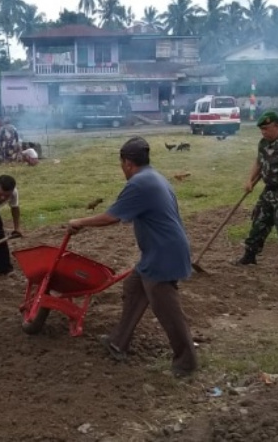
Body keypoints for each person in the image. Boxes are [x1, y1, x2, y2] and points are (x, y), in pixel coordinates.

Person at [67, 137, 198, 378]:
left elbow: (111, 217)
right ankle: (118, 342)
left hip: (163, 255)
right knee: (134, 287)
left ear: (127, 163)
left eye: (121, 164)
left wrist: (80, 222)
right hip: (160, 251)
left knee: (166, 309)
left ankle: (186, 362)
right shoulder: (155, 176)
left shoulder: (139, 183)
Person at [234, 110, 278, 278]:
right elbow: (259, 162)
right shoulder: (264, 143)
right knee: (259, 221)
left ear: (277, 126)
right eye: (262, 129)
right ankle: (249, 256)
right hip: (269, 190)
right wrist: (250, 180)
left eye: (267, 129)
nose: (264, 132)